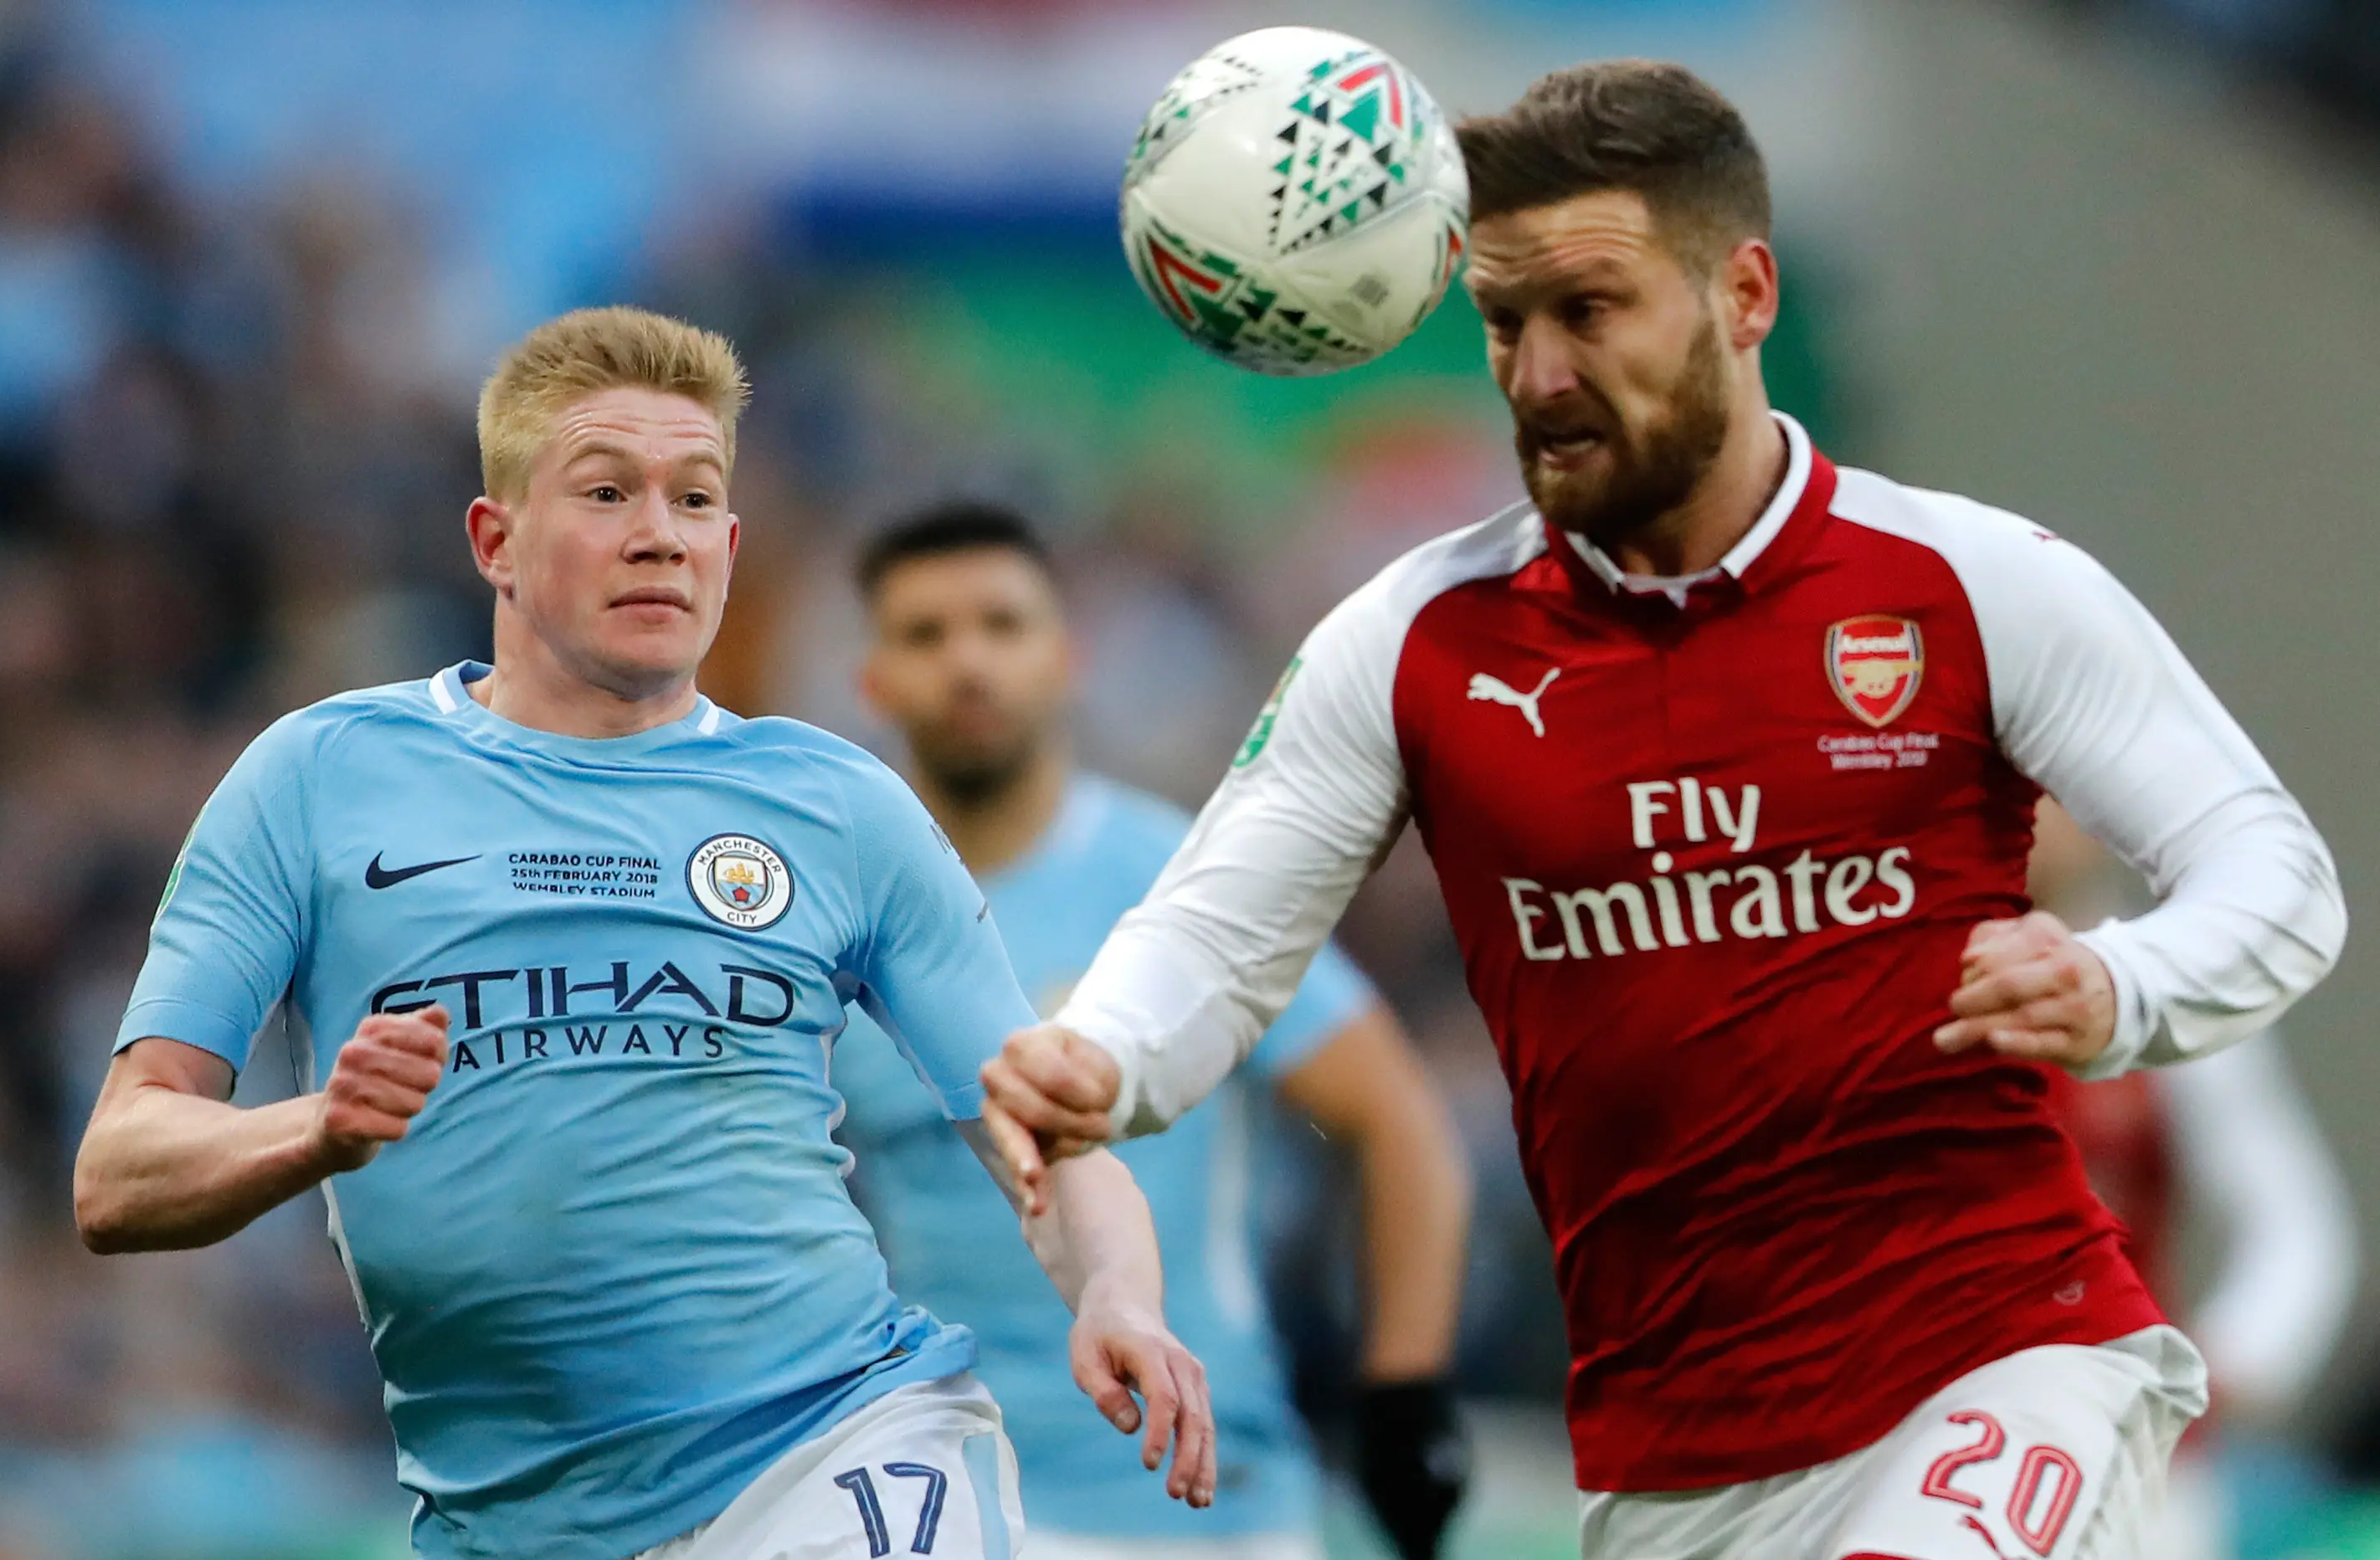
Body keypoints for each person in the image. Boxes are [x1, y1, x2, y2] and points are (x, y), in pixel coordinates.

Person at [977, 61, 2347, 1560]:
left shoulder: (1969, 582)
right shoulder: (1409, 642)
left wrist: (2117, 978)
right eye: (1503, 323)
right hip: (1671, 1449)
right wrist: (1098, 1051)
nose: (1537, 372)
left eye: (1589, 310)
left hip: (2003, 1352)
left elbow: (2272, 872)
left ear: (1742, 294)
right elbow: (1213, 933)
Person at [69, 307, 1216, 1560]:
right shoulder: (318, 778)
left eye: (692, 500)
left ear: (729, 546)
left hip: (830, 1448)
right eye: (608, 493)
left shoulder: (836, 807)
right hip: (507, 1523)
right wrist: (317, 1131)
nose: (658, 536)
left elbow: (1038, 1126)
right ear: (496, 542)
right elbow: (117, 1170)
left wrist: (1117, 1289)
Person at [833, 504, 1475, 1560]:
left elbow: (1396, 1114)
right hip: (938, 1506)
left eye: (1001, 624)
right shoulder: (844, 924)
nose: (969, 663)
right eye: (926, 635)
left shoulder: (1175, 886)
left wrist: (1404, 1393)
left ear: (1066, 657)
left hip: (1196, 1503)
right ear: (875, 680)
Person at [2029, 801, 2357, 1560]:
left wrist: (2216, 1377)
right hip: (1931, 1456)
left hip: (2139, 1480)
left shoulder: (2162, 983)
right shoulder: (1895, 997)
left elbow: (2297, 1229)